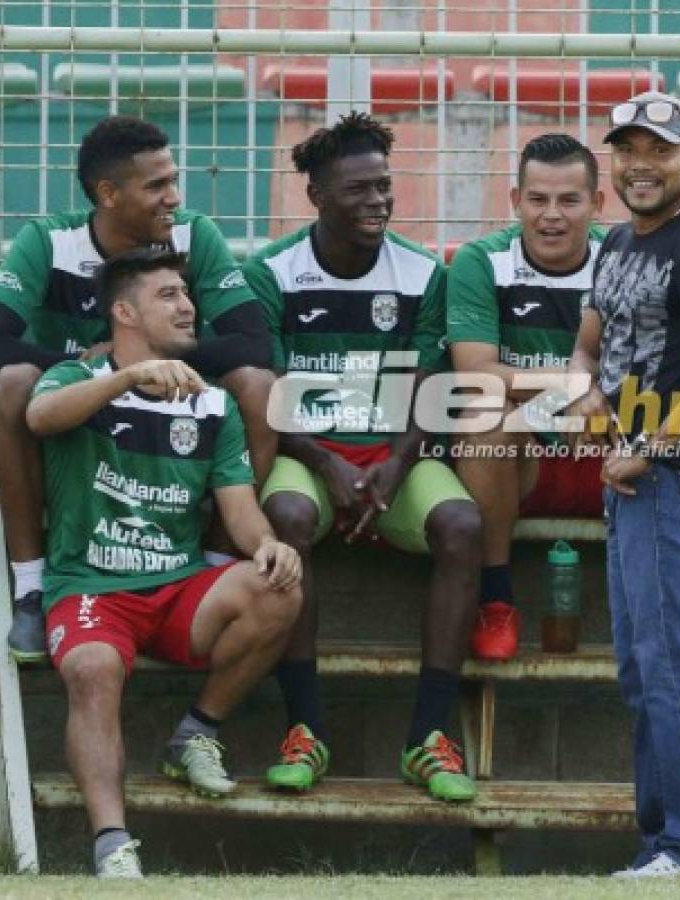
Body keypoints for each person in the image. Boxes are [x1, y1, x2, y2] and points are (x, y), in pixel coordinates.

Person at [26, 247, 302, 878]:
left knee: (279, 586)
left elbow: (239, 508)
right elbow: (38, 418)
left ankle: (196, 731)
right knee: (92, 668)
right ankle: (113, 844)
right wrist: (125, 379)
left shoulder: (212, 403)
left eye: (187, 292)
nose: (187, 305)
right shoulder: (76, 380)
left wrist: (265, 543)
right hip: (91, 586)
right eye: (168, 295)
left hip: (178, 588)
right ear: (123, 312)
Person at [0, 116, 278, 665]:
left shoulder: (193, 235)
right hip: (73, 419)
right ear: (107, 193)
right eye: (156, 186)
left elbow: (253, 344)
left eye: (174, 181)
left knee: (257, 386)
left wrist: (159, 359)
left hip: (169, 408)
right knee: (14, 382)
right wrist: (96, 367)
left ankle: (212, 561)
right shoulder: (50, 239)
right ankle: (31, 586)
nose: (174, 198)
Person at [245, 112, 483, 801]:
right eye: (359, 191)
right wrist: (327, 465)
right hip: (309, 452)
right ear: (316, 196)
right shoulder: (269, 273)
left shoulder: (419, 272)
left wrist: (394, 467)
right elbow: (265, 398)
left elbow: (428, 391)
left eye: (384, 186)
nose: (378, 201)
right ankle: (305, 730)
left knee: (463, 526)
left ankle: (428, 738)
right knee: (286, 513)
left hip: (391, 459)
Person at [568, 91, 680, 877]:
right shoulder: (615, 240)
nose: (641, 165)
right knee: (645, 667)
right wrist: (585, 392)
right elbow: (587, 347)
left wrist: (647, 446)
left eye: (660, 150)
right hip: (640, 481)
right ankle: (664, 845)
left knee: (672, 662)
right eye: (628, 149)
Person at [447, 133, 605, 661]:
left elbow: (644, 372)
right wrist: (574, 386)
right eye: (537, 200)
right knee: (484, 414)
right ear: (516, 202)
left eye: (569, 200)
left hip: (609, 445)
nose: (551, 216)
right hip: (528, 454)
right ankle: (495, 600)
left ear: (597, 204)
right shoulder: (481, 262)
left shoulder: (623, 262)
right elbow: (474, 373)